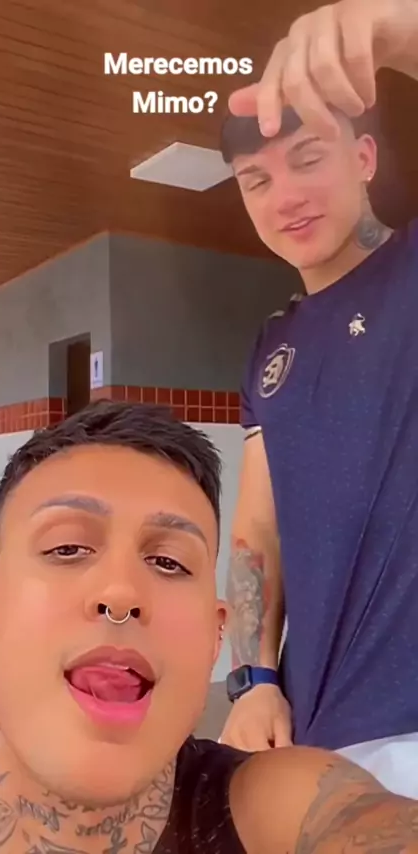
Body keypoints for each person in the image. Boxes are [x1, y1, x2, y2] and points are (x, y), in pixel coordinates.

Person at [0, 399, 418, 854]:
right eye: (67, 548)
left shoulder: (280, 810)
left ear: (215, 639)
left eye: (169, 562)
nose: (121, 593)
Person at [219, 0, 418, 798]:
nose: (285, 196)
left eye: (308, 158)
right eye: (257, 179)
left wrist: (397, 28)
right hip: (313, 739)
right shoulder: (274, 346)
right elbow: (257, 534)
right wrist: (253, 679)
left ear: (365, 156)